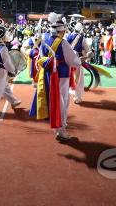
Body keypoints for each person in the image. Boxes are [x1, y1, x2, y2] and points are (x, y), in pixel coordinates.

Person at [30, 13, 81, 141]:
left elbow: (41, 56)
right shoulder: (62, 42)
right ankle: (60, 130)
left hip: (48, 74)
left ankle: (60, 125)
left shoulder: (45, 37)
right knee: (62, 102)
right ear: (61, 30)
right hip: (61, 75)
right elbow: (73, 61)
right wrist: (80, 59)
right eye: (64, 29)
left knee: (54, 99)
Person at [66, 22, 91, 104]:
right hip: (77, 60)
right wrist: (88, 55)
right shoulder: (82, 38)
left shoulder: (67, 36)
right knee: (79, 79)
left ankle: (68, 94)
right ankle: (77, 97)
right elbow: (88, 50)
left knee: (68, 77)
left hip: (68, 60)